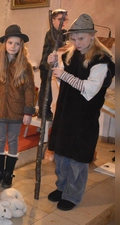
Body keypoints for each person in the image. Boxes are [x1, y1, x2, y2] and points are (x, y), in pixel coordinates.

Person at [46, 13, 115, 211]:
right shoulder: (71, 54)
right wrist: (55, 66)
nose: (77, 43)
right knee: (61, 154)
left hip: (83, 117)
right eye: (73, 39)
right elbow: (63, 83)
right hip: (66, 112)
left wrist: (64, 75)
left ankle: (73, 194)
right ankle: (62, 187)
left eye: (81, 38)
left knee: (77, 158)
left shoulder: (101, 60)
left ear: (92, 36)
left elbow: (90, 90)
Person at [0, 24, 35, 189]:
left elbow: (30, 90)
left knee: (12, 141)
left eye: (17, 43)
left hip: (16, 110)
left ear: (21, 46)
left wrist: (28, 111)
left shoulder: (25, 65)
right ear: (4, 44)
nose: (13, 46)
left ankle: (8, 173)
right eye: (10, 43)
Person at [38, 9, 68, 121]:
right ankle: (43, 111)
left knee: (52, 89)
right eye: (60, 19)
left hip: (57, 65)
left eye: (65, 19)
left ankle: (49, 112)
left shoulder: (63, 33)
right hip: (46, 65)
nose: (63, 22)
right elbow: (59, 44)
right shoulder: (51, 33)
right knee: (46, 90)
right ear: (53, 20)